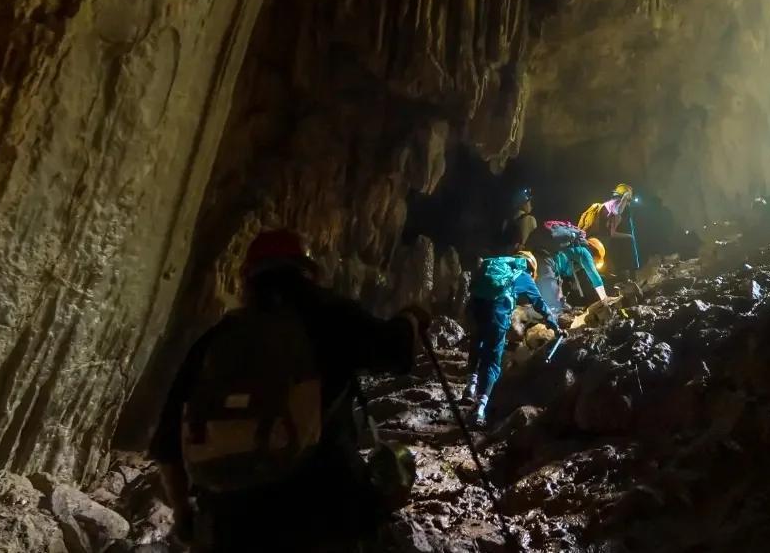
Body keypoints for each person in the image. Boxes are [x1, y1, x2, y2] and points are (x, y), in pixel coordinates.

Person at [151, 229, 431, 552]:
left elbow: (168, 445)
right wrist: (411, 318)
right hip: (323, 516)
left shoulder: (216, 340)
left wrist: (184, 513)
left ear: (248, 280)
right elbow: (395, 352)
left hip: (231, 525)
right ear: (307, 272)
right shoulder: (332, 317)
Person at [464, 251, 560, 427]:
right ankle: (479, 410)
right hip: (497, 311)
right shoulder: (523, 274)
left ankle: (469, 387)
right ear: (531, 268)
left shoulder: (495, 262)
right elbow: (539, 302)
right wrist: (554, 324)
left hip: (474, 307)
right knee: (492, 359)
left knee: (476, 342)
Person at [500, 186, 537, 253]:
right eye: (529, 202)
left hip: (506, 257)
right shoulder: (531, 220)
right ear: (523, 204)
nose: (531, 206)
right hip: (523, 257)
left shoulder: (507, 221)